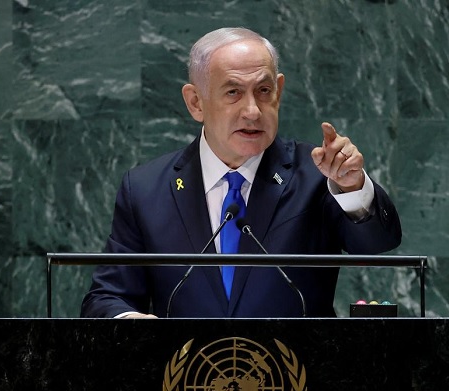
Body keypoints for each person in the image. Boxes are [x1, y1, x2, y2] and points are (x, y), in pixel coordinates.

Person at [81, 27, 401, 318]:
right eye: (233, 92)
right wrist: (130, 323)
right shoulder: (146, 189)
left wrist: (352, 187)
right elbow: (107, 297)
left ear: (279, 90)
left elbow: (377, 245)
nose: (252, 111)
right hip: (187, 374)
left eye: (263, 91)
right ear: (196, 102)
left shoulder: (317, 174)